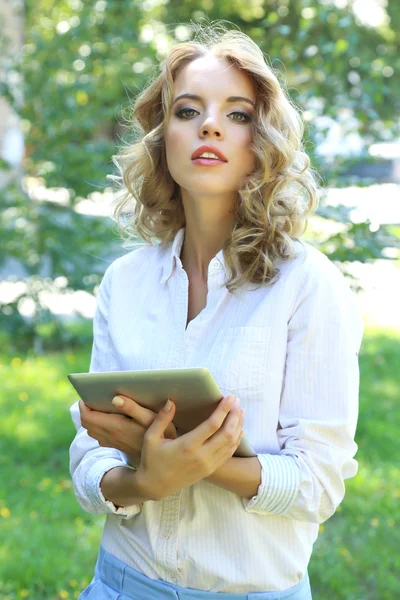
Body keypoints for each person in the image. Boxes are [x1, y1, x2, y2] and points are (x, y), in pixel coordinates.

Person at [69, 22, 364, 600]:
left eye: (238, 114)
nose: (209, 124)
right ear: (162, 138)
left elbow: (319, 483)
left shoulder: (307, 284)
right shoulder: (123, 283)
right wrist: (142, 481)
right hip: (120, 586)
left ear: (264, 141)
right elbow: (89, 455)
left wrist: (195, 465)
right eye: (187, 111)